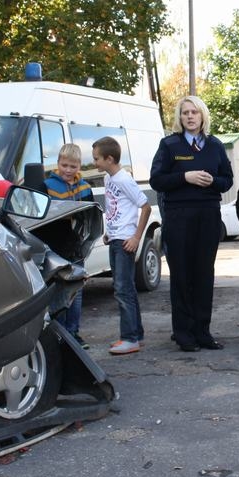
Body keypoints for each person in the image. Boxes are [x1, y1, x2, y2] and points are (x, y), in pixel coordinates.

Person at [150, 96, 233, 352]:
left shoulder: (215, 145)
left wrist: (213, 181)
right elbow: (156, 180)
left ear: (202, 115)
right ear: (180, 117)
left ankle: (202, 332)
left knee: (204, 274)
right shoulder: (169, 145)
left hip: (208, 215)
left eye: (194, 112)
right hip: (179, 216)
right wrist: (184, 177)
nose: (189, 116)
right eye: (185, 112)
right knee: (181, 275)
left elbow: (227, 180)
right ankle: (183, 333)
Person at [92, 136, 151, 355]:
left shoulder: (124, 179)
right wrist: (109, 231)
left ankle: (129, 338)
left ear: (109, 159)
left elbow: (145, 207)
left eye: (96, 159)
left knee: (122, 289)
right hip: (115, 238)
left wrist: (136, 237)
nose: (94, 163)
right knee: (127, 289)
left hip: (126, 241)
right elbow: (114, 208)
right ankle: (136, 334)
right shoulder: (108, 178)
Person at [45, 143, 93, 348]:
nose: (68, 170)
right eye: (64, 165)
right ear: (57, 163)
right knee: (57, 290)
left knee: (76, 289)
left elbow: (90, 217)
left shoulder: (85, 188)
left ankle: (74, 333)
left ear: (79, 166)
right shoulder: (47, 186)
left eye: (73, 166)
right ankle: (60, 333)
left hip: (75, 246)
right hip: (53, 245)